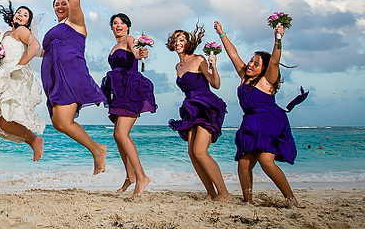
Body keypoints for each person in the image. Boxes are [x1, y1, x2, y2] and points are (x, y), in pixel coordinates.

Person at [215, 20, 307, 206]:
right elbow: (233, 54)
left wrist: (278, 38)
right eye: (251, 60)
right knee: (243, 163)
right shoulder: (244, 77)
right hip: (250, 123)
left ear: (264, 69)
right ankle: (248, 202)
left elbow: (274, 60)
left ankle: (292, 200)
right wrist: (221, 33)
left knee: (266, 160)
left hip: (269, 122)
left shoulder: (267, 81)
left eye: (256, 64)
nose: (250, 64)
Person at [41, 0, 107, 175]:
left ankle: (97, 151)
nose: (60, 6)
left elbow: (76, 4)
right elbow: (42, 52)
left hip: (71, 76)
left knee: (65, 121)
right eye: (57, 4)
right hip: (54, 80)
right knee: (58, 123)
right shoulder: (53, 30)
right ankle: (97, 149)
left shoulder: (76, 23)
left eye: (64, 3)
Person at [167, 24, 231, 202]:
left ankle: (224, 193)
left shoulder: (199, 59)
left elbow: (215, 84)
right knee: (192, 153)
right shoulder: (177, 66)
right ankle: (211, 193)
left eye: (182, 39)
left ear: (189, 43)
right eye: (175, 40)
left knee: (200, 151)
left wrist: (213, 65)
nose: (178, 42)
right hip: (190, 108)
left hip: (205, 106)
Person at [100, 13, 157, 198]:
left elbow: (136, 52)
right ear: (111, 28)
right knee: (117, 136)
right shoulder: (114, 45)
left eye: (122, 23)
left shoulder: (130, 40)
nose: (118, 25)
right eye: (115, 23)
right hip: (118, 91)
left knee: (121, 134)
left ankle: (141, 177)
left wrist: (141, 53)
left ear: (128, 26)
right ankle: (130, 175)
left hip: (130, 89)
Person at [0, 1, 46, 161]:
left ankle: (34, 139)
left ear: (27, 22)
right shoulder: (6, 35)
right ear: (13, 15)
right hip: (3, 76)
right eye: (19, 12)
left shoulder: (22, 30)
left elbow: (36, 46)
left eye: (25, 15)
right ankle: (33, 140)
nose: (21, 15)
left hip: (15, 76)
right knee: (3, 121)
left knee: (6, 120)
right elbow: (36, 52)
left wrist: (18, 66)